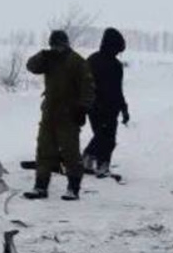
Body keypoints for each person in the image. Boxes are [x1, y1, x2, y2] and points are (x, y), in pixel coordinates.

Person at [23, 29, 94, 201]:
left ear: (66, 44)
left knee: (71, 153)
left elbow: (88, 88)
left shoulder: (77, 62)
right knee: (44, 151)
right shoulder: (49, 59)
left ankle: (73, 188)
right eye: (53, 46)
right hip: (49, 114)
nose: (56, 49)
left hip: (69, 115)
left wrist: (83, 109)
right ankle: (40, 186)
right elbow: (31, 66)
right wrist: (42, 55)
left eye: (59, 45)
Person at [84, 27, 130, 178]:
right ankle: (90, 159)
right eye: (117, 49)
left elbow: (118, 90)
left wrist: (124, 108)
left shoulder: (115, 65)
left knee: (108, 138)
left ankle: (99, 164)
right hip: (96, 107)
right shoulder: (93, 61)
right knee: (103, 137)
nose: (118, 53)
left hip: (110, 108)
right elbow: (84, 85)